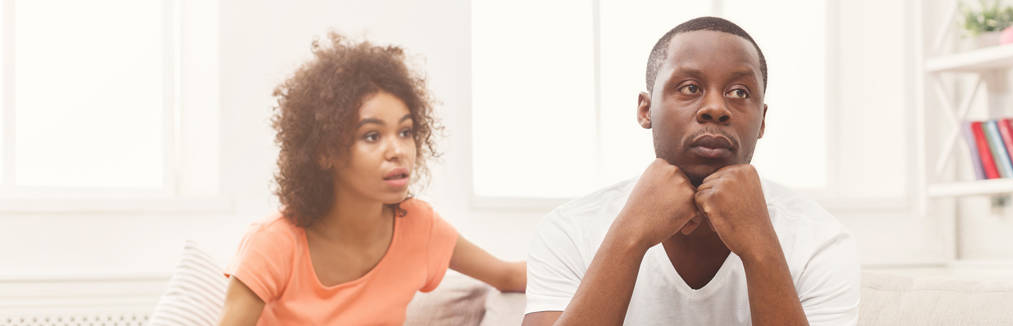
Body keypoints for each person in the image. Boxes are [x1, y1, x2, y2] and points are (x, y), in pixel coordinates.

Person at [522, 17, 859, 326]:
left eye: (739, 92)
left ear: (762, 121)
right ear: (646, 109)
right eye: (690, 88)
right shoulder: (568, 231)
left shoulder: (820, 242)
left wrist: (760, 246)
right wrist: (629, 234)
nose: (715, 108)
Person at [218, 32, 526, 325]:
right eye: (372, 136)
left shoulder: (421, 229)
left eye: (405, 132)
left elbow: (509, 276)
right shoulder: (273, 243)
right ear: (325, 152)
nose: (397, 151)